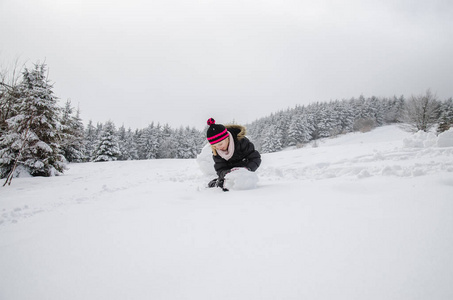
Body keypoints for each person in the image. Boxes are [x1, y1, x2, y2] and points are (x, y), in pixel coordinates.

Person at [205, 118, 261, 191]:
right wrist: (227, 173)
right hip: (230, 174)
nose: (218, 147)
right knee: (223, 185)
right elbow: (220, 169)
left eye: (220, 144)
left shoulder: (241, 142)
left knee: (244, 184)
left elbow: (255, 158)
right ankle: (217, 183)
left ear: (227, 137)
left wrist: (247, 169)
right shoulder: (217, 152)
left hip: (245, 171)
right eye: (215, 146)